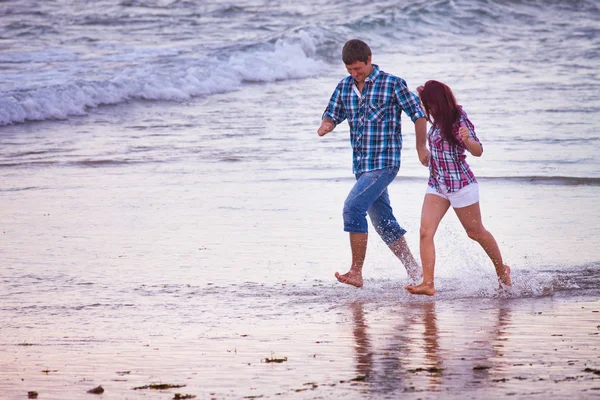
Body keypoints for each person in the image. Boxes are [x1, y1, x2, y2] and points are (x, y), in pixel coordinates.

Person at [317, 39, 429, 288]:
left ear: (369, 60)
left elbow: (418, 114)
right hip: (361, 167)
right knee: (383, 222)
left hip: (385, 163)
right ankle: (415, 271)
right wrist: (328, 124)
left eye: (358, 68)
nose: (354, 74)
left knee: (352, 208)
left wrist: (421, 147)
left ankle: (356, 272)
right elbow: (332, 112)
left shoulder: (392, 83)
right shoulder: (345, 87)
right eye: (349, 70)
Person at [405, 80, 512, 296]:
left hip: (460, 185)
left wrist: (467, 140)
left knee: (476, 232)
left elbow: (478, 150)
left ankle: (502, 271)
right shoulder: (436, 121)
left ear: (438, 102)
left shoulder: (457, 119)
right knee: (426, 232)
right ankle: (428, 283)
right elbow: (440, 148)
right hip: (437, 184)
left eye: (428, 104)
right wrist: (427, 155)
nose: (427, 108)